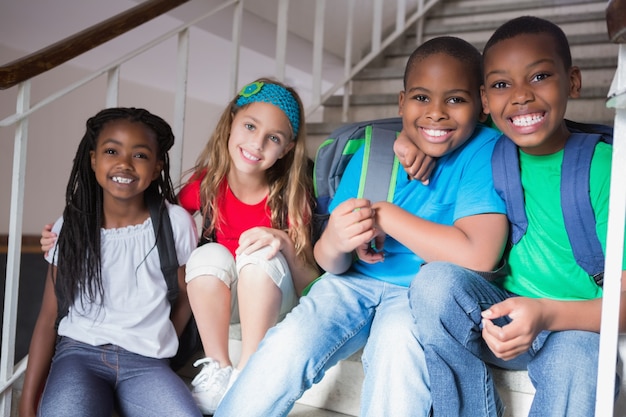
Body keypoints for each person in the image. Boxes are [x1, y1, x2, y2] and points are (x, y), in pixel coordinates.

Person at [215, 36, 509, 417]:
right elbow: (328, 262)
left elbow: (478, 256)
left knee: (397, 351)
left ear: (483, 104)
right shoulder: (376, 149)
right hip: (350, 284)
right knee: (287, 347)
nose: (436, 113)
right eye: (421, 98)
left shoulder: (487, 150)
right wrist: (336, 242)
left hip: (417, 297)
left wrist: (384, 216)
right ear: (402, 103)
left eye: (455, 99)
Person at [404, 16, 626, 416]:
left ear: (573, 81)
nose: (521, 96)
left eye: (539, 76)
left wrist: (545, 313)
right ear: (486, 101)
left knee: (581, 356)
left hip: (576, 326)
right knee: (433, 281)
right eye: (502, 85)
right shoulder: (490, 151)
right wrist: (407, 141)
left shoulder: (606, 168)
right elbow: (437, 125)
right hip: (501, 317)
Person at [20, 107, 201, 417]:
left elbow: (186, 296)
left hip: (147, 363)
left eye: (140, 155)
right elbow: (49, 316)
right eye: (111, 150)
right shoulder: (72, 226)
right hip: (78, 356)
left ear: (157, 166)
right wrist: (26, 404)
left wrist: (161, 338)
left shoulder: (175, 223)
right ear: (93, 160)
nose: (124, 163)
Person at [175, 77, 320, 414]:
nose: (257, 144)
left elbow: (312, 284)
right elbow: (156, 225)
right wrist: (69, 233)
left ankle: (249, 372)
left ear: (286, 149)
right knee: (207, 254)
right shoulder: (208, 184)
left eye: (273, 138)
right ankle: (218, 367)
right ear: (230, 124)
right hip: (227, 304)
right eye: (250, 126)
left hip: (275, 300)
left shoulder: (291, 195)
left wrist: (282, 240)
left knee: (257, 253)